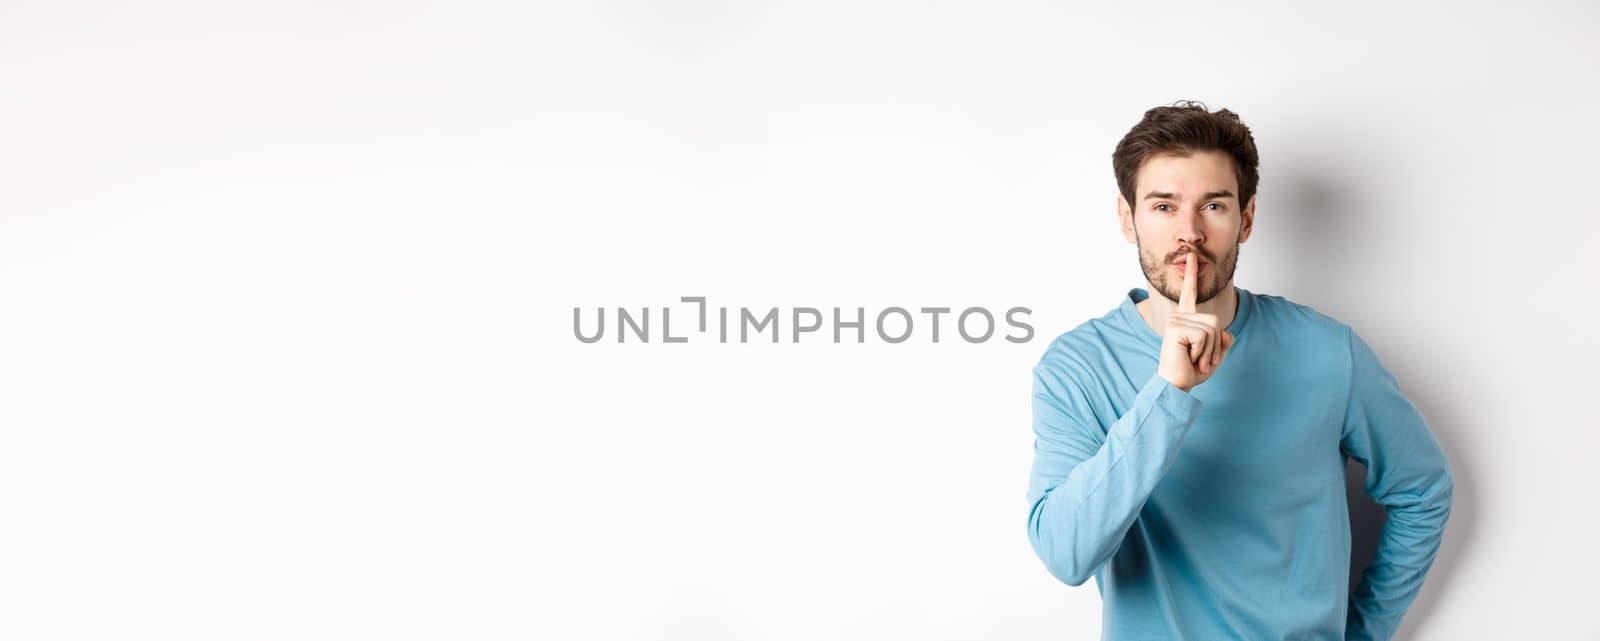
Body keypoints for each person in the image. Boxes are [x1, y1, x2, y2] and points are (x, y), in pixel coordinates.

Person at [1023, 100, 1454, 641]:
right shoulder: (1077, 366)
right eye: (1163, 207)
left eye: (1214, 206)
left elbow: (1423, 490)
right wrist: (1168, 392)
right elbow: (1066, 554)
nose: (1189, 233)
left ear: (1246, 218)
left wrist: (1364, 634)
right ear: (1127, 219)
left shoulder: (1326, 350)